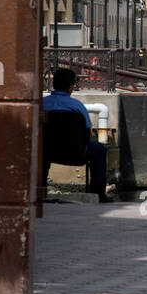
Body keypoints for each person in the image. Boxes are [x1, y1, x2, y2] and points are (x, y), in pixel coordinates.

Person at [42, 68, 108, 200]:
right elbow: (86, 131)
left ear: (53, 84)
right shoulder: (77, 107)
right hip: (75, 153)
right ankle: (99, 194)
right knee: (100, 149)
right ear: (71, 87)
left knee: (43, 148)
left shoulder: (42, 104)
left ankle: (40, 188)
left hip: (46, 151)